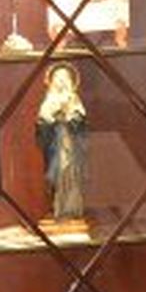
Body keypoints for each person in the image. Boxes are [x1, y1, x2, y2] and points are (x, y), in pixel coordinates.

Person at [36, 62, 89, 221]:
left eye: (64, 78)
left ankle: (72, 209)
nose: (61, 81)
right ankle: (59, 209)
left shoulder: (74, 99)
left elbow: (80, 121)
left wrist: (69, 115)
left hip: (71, 144)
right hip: (55, 145)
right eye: (58, 78)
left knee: (72, 174)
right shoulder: (49, 100)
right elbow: (42, 123)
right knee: (58, 175)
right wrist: (53, 116)